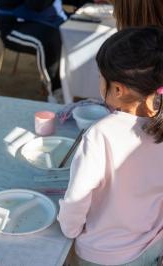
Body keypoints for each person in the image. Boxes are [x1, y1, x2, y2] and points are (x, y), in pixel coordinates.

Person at [58, 27, 163, 265]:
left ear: (117, 89)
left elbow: (76, 201)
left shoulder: (100, 135)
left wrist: (69, 229)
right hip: (153, 244)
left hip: (102, 255)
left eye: (100, 77)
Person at [0, 0, 67, 93]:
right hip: (14, 24)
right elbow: (37, 5)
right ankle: (55, 90)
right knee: (49, 40)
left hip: (45, 19)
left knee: (73, 32)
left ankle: (70, 83)